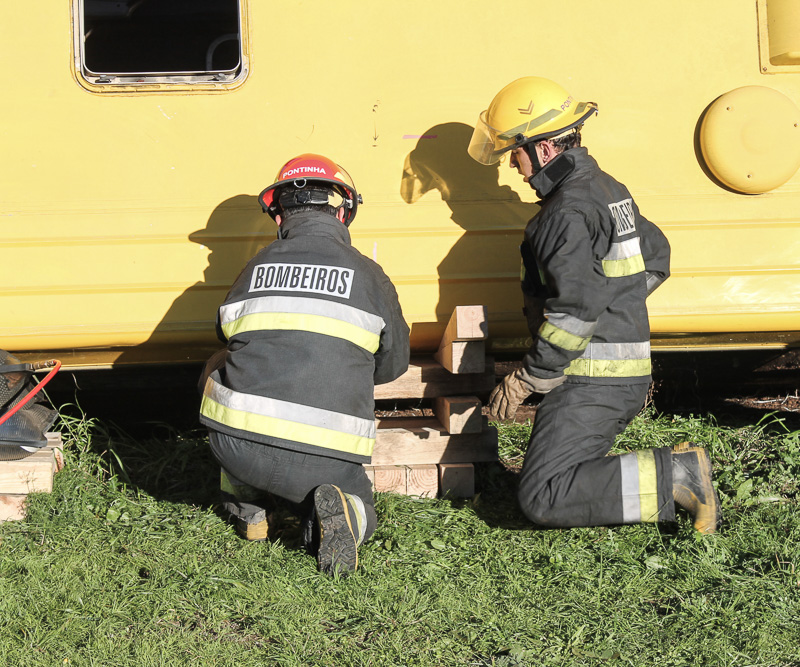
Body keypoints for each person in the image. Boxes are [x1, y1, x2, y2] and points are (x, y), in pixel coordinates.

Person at [468, 76, 720, 534]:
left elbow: (573, 312)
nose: (513, 168)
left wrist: (529, 377)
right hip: (615, 374)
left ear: (544, 150)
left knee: (544, 495)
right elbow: (656, 255)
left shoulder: (564, 213)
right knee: (550, 480)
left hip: (591, 380)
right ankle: (675, 473)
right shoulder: (606, 188)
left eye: (515, 153)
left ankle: (676, 475)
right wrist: (613, 308)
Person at [198, 153, 410, 575]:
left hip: (237, 447)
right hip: (324, 458)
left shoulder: (255, 266)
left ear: (280, 216)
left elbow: (227, 338)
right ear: (343, 213)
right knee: (359, 504)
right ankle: (341, 512)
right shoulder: (369, 275)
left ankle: (249, 511)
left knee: (213, 366)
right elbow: (393, 366)